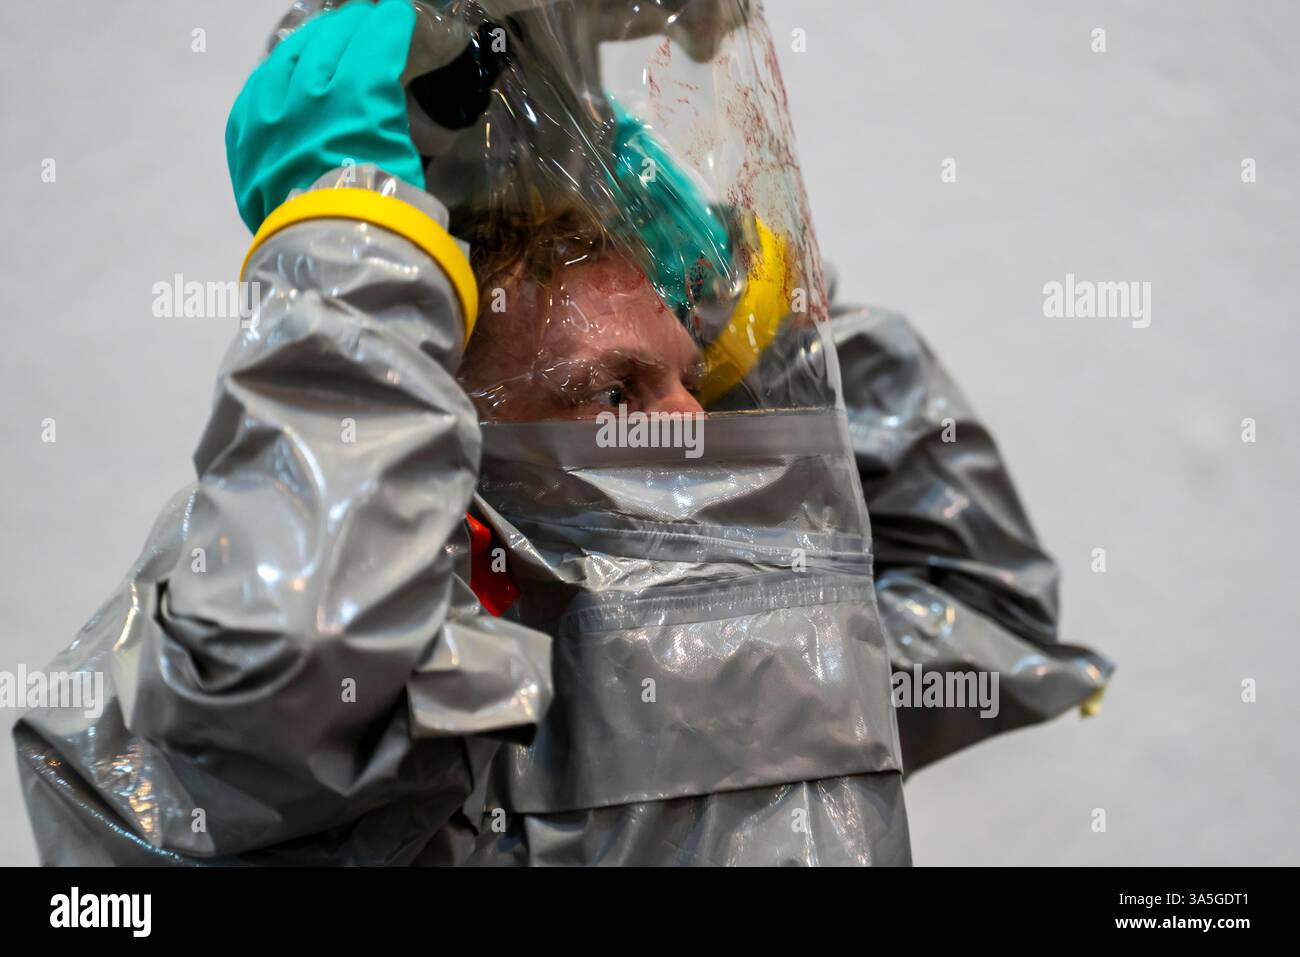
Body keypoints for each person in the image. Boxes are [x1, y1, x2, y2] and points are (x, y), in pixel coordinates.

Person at [13, 0, 1112, 866]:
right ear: (436, 438)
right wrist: (351, 234)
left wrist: (749, 321)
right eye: (615, 396)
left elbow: (984, 610)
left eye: (697, 383)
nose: (705, 434)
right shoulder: (331, 702)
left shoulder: (720, 645)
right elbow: (301, 656)